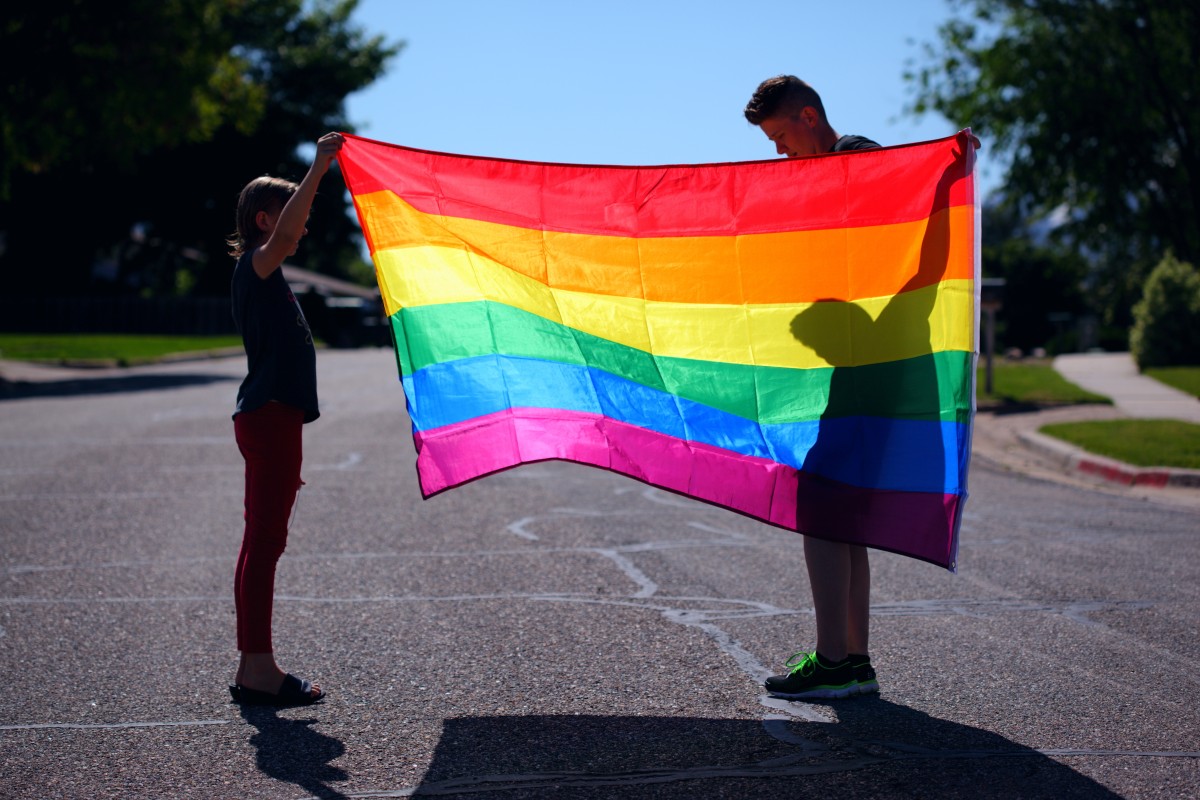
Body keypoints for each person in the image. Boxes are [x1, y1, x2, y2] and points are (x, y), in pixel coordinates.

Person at [743, 76, 881, 700]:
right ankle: (852, 661)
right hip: (859, 362)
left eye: (780, 137)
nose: (778, 153)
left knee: (822, 506)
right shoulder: (835, 170)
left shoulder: (854, 159)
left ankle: (833, 660)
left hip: (869, 362)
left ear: (808, 115)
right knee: (842, 512)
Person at [226, 132, 344, 706]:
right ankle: (259, 671)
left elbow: (295, 227)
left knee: (260, 542)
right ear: (264, 218)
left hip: (272, 416)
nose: (302, 226)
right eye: (291, 211)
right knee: (266, 543)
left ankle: (255, 663)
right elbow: (292, 228)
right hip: (270, 417)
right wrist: (320, 167)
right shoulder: (259, 263)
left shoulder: (267, 274)